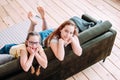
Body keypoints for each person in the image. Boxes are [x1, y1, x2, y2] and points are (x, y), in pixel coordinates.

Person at [0, 7, 48, 76]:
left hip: (20, 46)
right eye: (31, 43)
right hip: (7, 49)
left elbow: (45, 64)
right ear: (27, 42)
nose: (34, 46)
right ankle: (33, 24)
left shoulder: (39, 46)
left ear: (39, 43)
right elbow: (25, 68)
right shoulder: (23, 50)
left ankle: (33, 24)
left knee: (31, 37)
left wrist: (35, 53)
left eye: (36, 43)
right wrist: (32, 54)